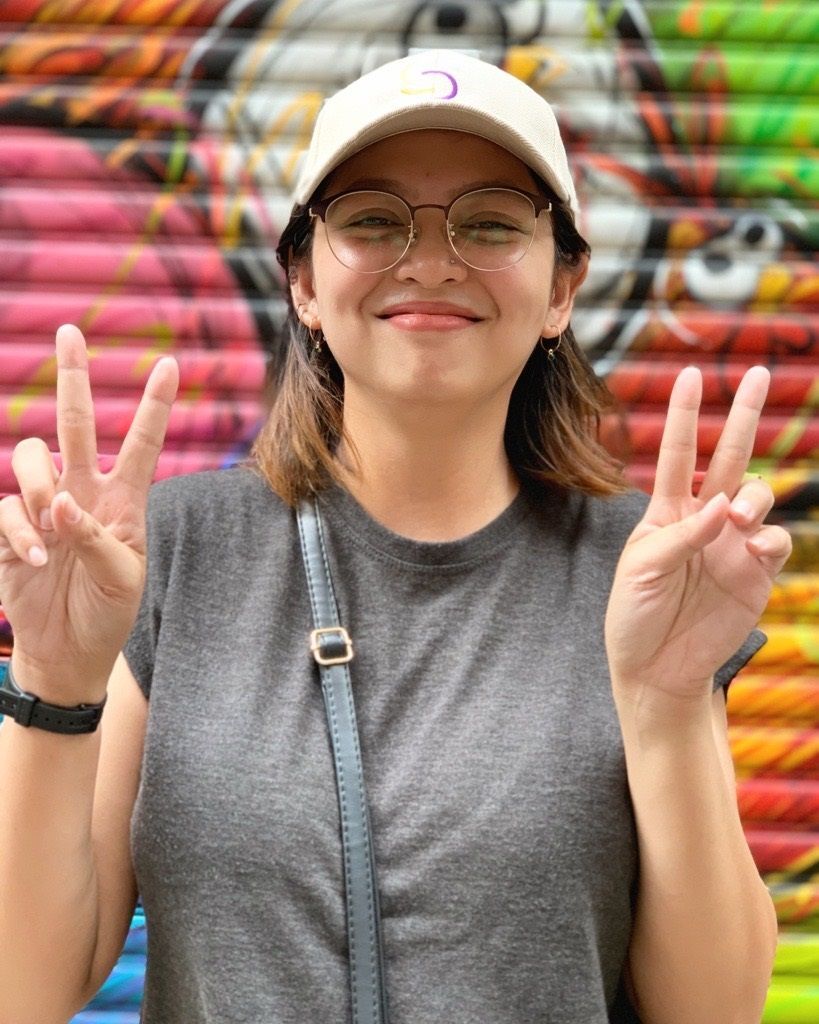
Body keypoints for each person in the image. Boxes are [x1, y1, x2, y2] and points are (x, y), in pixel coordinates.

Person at [0, 50, 789, 1024]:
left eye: (491, 221)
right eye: (371, 219)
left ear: (561, 289)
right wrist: (51, 682)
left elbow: (713, 1011)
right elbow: (25, 990)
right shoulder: (180, 551)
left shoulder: (642, 572)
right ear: (302, 280)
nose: (429, 258)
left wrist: (666, 703)